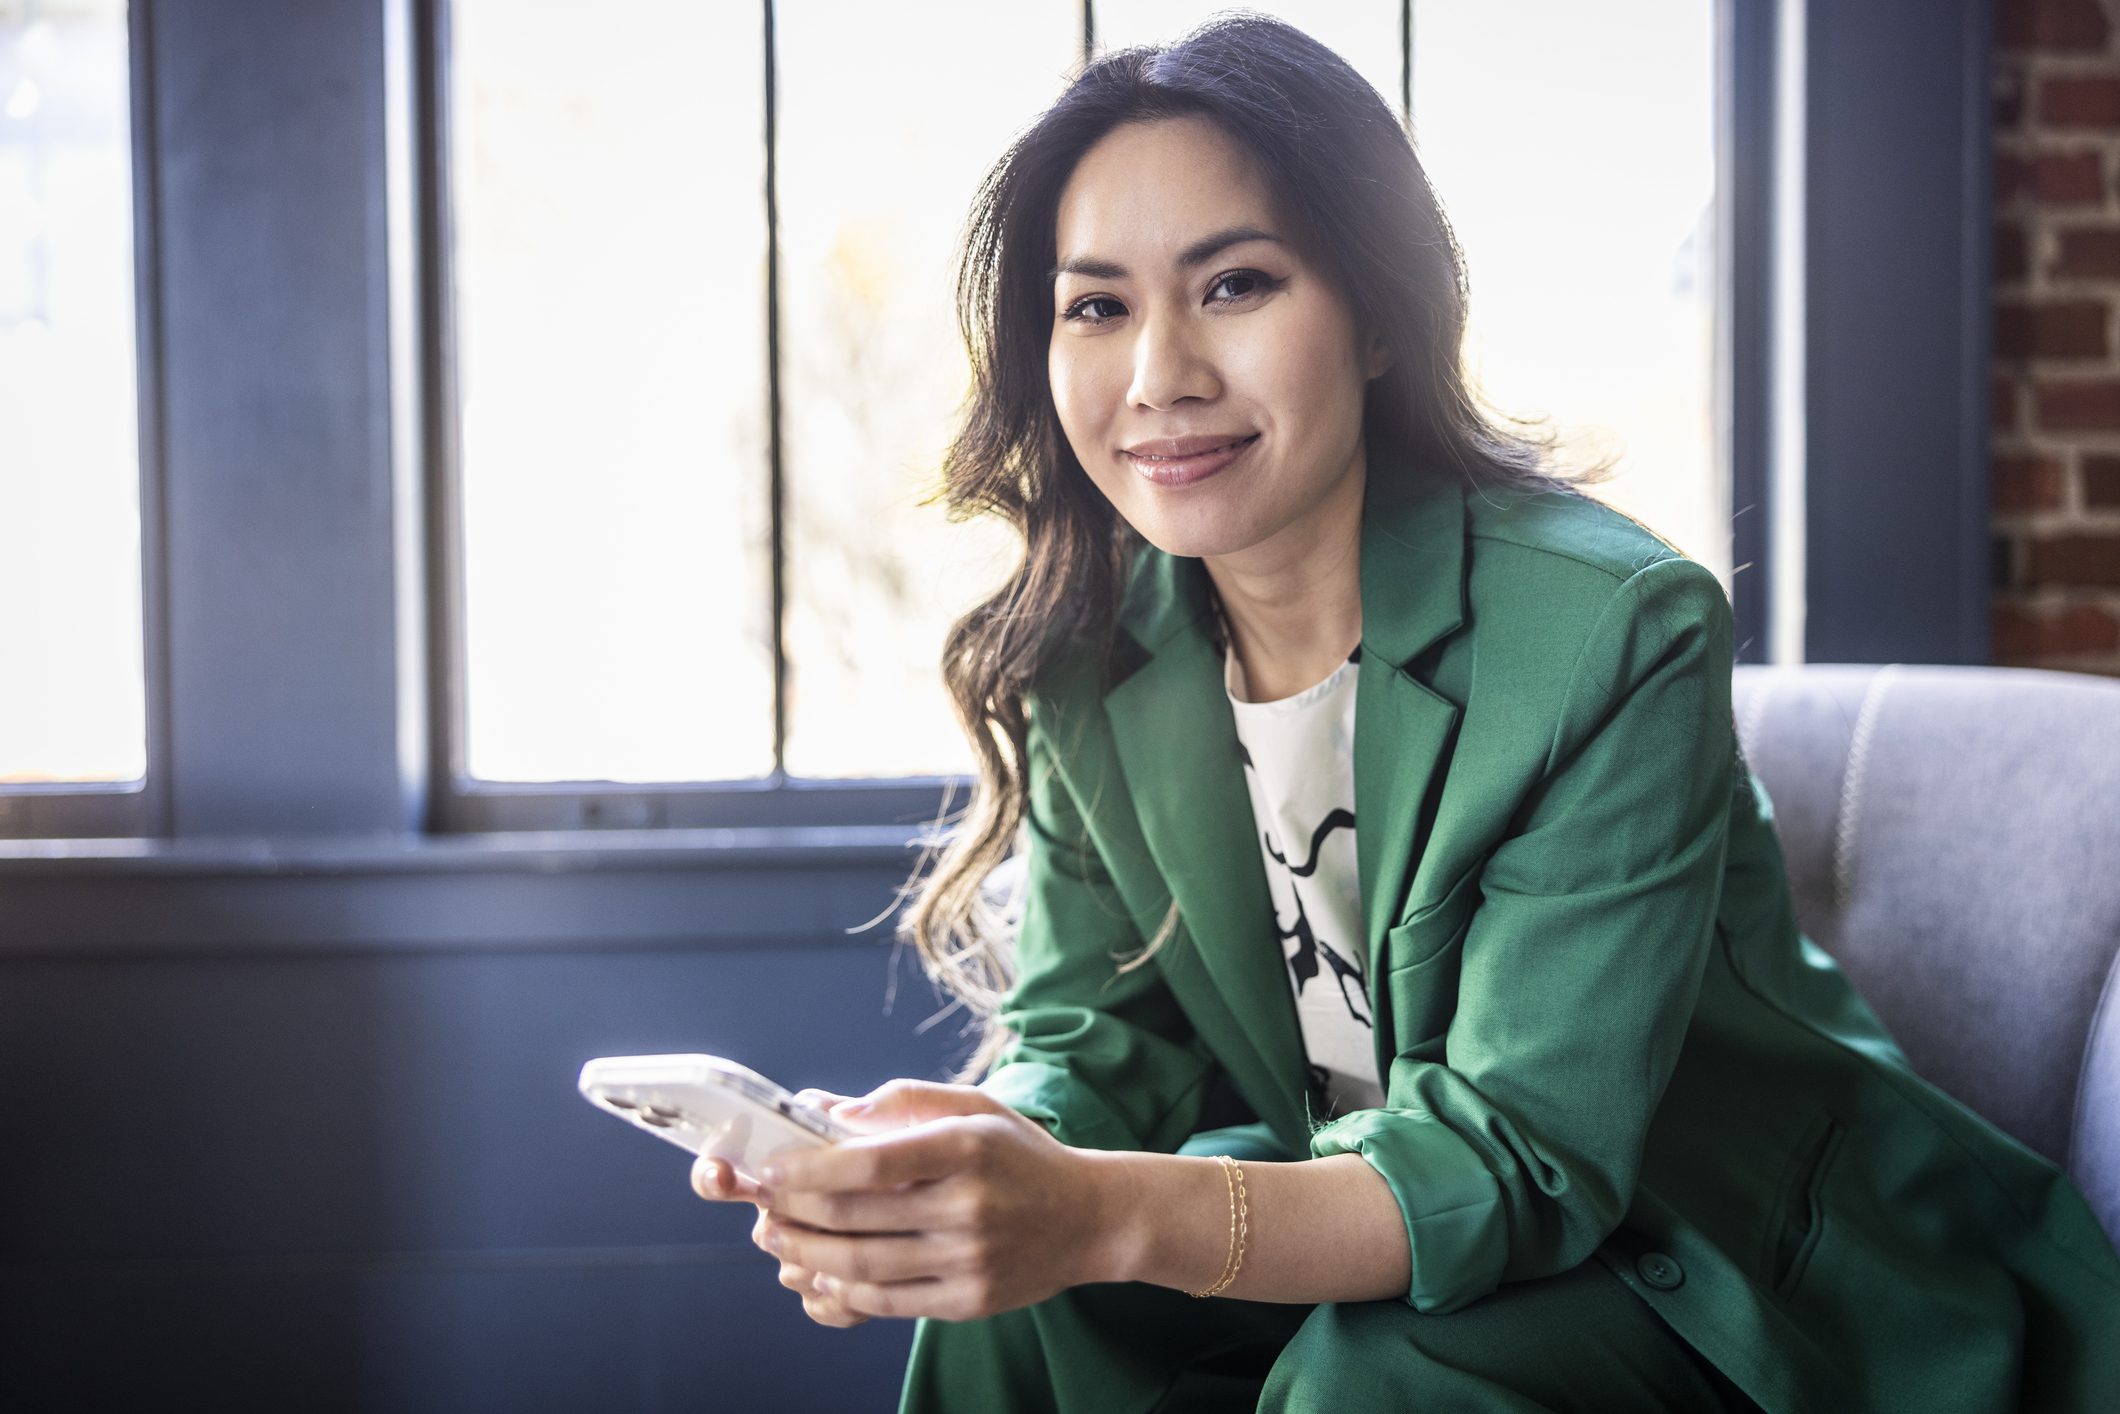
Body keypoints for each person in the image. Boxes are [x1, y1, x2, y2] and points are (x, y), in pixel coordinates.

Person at [692, 13, 2120, 1412]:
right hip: (1409, 1223)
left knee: (1380, 1372)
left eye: (1235, 284)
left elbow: (1523, 1158)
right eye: (1097, 304)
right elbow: (1092, 1045)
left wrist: (1101, 1213)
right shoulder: (1100, 656)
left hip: (1751, 1273)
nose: (1159, 376)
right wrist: (969, 1162)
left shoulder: (1613, 631)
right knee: (1020, 1317)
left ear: (1377, 315)